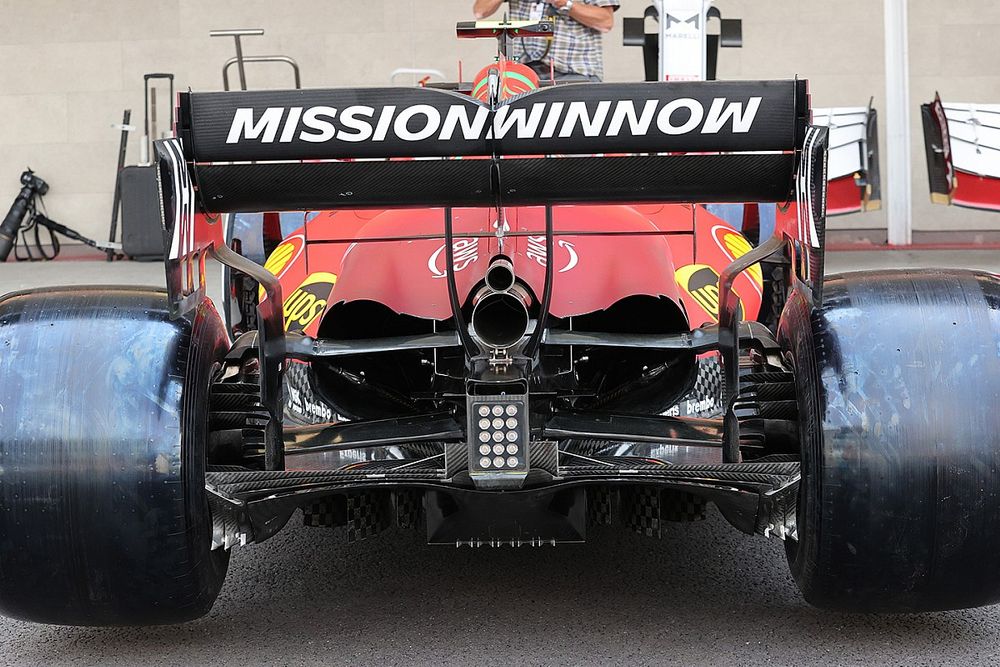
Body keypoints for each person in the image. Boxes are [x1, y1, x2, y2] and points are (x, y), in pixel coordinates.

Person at [472, 0, 619, 82]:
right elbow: (480, 11)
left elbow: (605, 21)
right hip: (524, 73)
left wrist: (566, 4)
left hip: (574, 73)